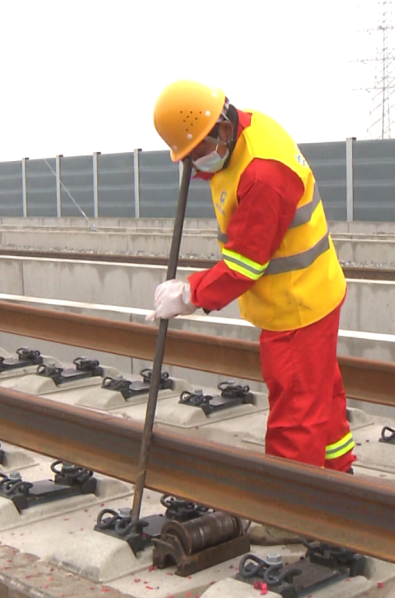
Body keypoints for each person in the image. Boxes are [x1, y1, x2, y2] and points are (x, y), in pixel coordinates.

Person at [149, 80, 356, 483]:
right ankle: (338, 480)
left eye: (199, 154)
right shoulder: (247, 134)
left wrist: (190, 294)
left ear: (223, 130)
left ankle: (287, 510)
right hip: (313, 292)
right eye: (188, 159)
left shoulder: (263, 174)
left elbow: (245, 264)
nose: (196, 168)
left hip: (294, 307)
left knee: (295, 415)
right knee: (320, 400)